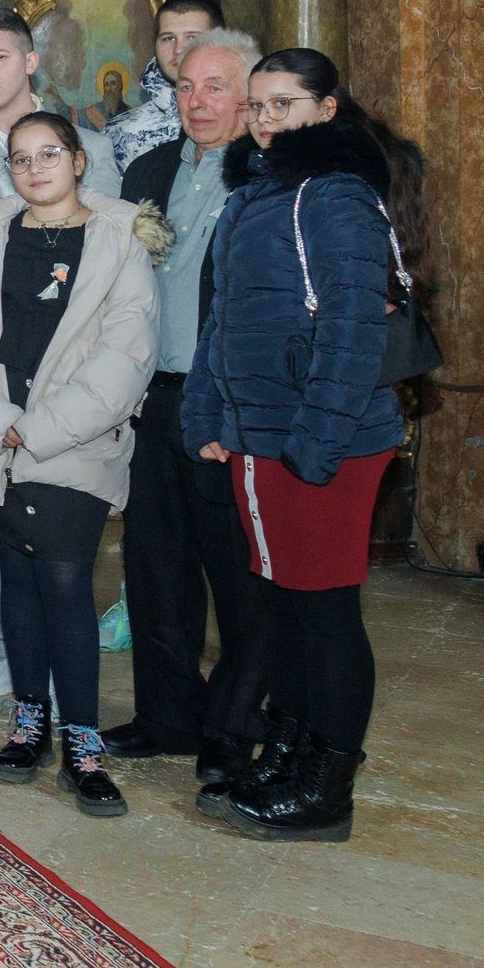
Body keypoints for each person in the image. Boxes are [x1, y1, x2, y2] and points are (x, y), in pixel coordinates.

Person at [183, 48, 416, 842]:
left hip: (325, 441)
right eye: (256, 107)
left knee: (324, 614)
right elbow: (223, 321)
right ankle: (287, 749)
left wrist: (314, 444)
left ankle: (327, 787)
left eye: (282, 105)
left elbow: (352, 331)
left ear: (327, 108)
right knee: (282, 608)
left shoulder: (338, 195)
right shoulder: (256, 192)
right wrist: (208, 416)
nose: (265, 121)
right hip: (262, 435)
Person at [0, 113, 162, 816]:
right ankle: (29, 723)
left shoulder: (123, 241)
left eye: (49, 155)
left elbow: (126, 356)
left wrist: (38, 431)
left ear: (78, 161)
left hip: (72, 445)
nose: (36, 169)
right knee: (18, 587)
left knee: (65, 586)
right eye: (21, 159)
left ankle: (82, 743)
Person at [0, 6, 119, 709]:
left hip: (67, 371)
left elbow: (111, 270)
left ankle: (62, 682)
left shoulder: (87, 143)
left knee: (57, 535)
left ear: (30, 60)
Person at [100, 28, 268, 788]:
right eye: (188, 88)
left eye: (217, 88)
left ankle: (235, 729)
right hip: (152, 400)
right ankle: (167, 717)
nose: (199, 102)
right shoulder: (150, 166)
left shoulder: (265, 179)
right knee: (154, 567)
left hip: (224, 406)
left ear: (249, 97)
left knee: (236, 576)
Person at [105, 0, 223, 172]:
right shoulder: (120, 132)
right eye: (168, 38)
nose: (178, 49)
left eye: (192, 37)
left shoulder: (250, 118)